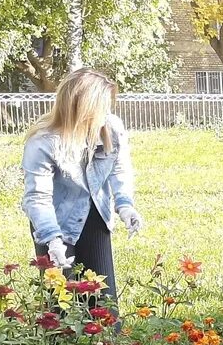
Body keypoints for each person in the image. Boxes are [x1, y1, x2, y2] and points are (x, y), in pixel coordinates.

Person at [21, 67, 141, 301]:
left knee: (103, 302)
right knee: (61, 304)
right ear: (83, 108)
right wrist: (52, 240)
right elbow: (37, 198)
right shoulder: (43, 142)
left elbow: (119, 169)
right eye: (102, 107)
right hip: (55, 222)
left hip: (96, 215)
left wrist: (125, 205)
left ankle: (107, 340)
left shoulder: (112, 128)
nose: (106, 113)